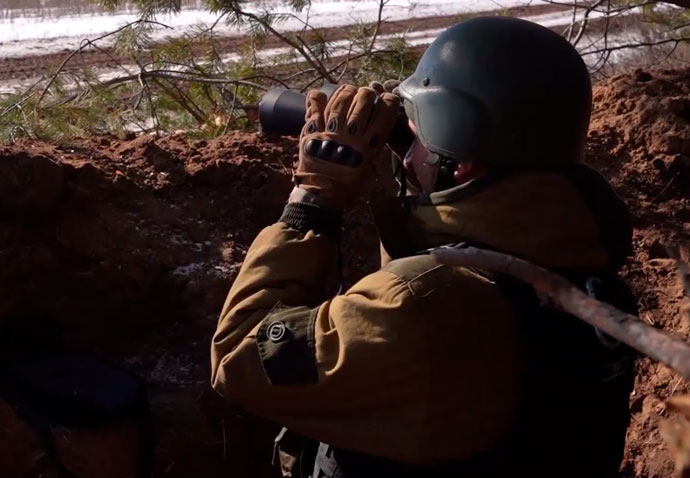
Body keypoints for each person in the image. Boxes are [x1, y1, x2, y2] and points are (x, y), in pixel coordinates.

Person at [211, 16, 636, 478]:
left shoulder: (418, 310)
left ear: (461, 161)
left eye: (412, 137)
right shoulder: (588, 280)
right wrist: (420, 172)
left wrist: (312, 200)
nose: (407, 155)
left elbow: (238, 357)